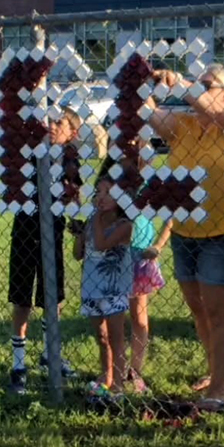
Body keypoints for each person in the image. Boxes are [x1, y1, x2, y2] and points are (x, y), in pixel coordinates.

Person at [146, 64, 224, 413]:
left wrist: (183, 82)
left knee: (220, 313)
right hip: (185, 232)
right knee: (199, 310)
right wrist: (146, 82)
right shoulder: (183, 125)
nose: (199, 90)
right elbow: (148, 114)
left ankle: (220, 387)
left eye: (209, 84)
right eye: (200, 84)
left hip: (222, 235)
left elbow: (212, 111)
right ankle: (213, 369)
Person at [6, 113, 82, 394]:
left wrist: (78, 224)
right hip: (26, 231)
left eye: (60, 124)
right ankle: (18, 364)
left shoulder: (71, 158)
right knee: (22, 299)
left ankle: (51, 353)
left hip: (54, 233)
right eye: (49, 122)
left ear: (73, 133)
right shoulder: (31, 153)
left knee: (54, 298)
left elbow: (75, 193)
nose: (52, 127)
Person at [74, 167, 135, 397]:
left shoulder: (124, 226)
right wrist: (80, 233)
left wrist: (96, 220)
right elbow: (78, 254)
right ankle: (106, 374)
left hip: (113, 289)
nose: (101, 197)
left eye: (108, 192)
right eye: (98, 192)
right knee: (101, 336)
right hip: (91, 287)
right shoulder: (92, 221)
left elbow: (101, 244)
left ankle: (118, 384)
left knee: (116, 338)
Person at [126, 214, 173, 394]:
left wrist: (158, 245)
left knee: (138, 317)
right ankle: (112, 368)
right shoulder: (114, 185)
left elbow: (170, 217)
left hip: (140, 253)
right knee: (110, 316)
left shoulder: (151, 185)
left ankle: (135, 371)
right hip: (113, 251)